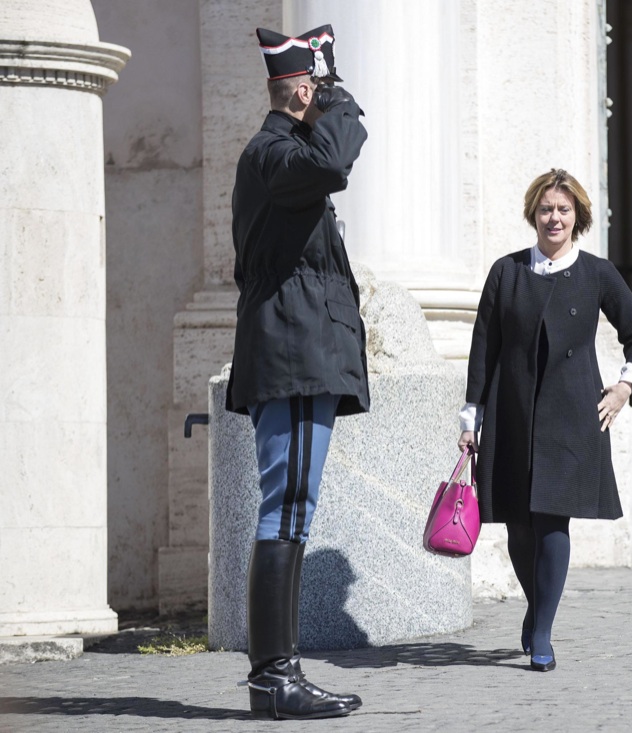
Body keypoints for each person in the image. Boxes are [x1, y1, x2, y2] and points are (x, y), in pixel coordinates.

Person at [225, 24, 368, 720]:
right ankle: (274, 678)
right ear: (305, 91)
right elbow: (334, 160)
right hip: (292, 355)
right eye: (323, 90)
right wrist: (337, 99)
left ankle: (275, 677)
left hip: (297, 352)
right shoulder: (274, 153)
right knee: (285, 507)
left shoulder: (282, 158)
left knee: (290, 507)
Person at [458, 169, 632, 672]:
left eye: (564, 210)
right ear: (534, 214)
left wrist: (624, 387)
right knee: (518, 527)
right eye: (546, 209)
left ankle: (542, 630)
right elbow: (484, 348)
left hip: (572, 417)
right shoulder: (506, 272)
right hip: (512, 414)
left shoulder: (597, 273)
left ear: (578, 216)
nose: (554, 218)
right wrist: (470, 417)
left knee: (552, 521)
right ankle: (536, 605)